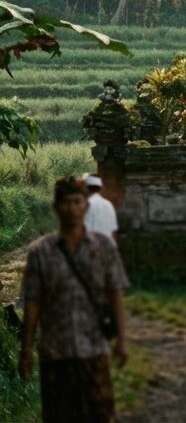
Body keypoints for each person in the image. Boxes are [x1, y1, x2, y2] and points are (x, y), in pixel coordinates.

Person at [18, 176, 129, 423]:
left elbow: (116, 294)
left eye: (77, 202)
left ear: (85, 206)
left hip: (93, 350)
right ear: (57, 207)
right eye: (66, 203)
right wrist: (26, 350)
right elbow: (33, 302)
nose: (72, 209)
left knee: (100, 415)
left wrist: (122, 339)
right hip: (56, 353)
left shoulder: (103, 247)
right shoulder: (40, 251)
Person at [82, 173, 118, 240]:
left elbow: (85, 230)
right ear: (100, 188)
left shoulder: (86, 205)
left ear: (86, 188)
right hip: (107, 246)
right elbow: (113, 231)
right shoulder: (108, 204)